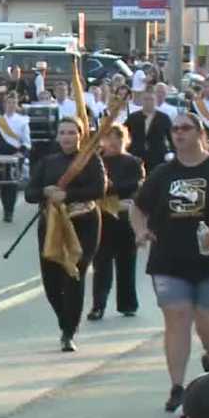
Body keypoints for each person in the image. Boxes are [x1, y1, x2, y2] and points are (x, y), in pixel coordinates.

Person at [131, 112, 209, 412]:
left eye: (185, 128)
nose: (178, 133)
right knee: (177, 319)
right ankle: (177, 387)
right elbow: (138, 207)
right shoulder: (163, 173)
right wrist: (141, 231)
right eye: (175, 129)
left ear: (199, 133)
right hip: (169, 259)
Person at [25, 117, 107, 351]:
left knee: (74, 274)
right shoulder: (48, 162)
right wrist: (45, 191)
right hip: (52, 225)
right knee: (51, 280)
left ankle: (69, 331)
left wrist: (68, 195)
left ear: (80, 135)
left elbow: (99, 189)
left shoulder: (90, 160)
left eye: (72, 132)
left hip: (84, 223)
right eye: (63, 133)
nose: (67, 137)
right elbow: (30, 193)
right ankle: (65, 319)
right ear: (57, 136)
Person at [91, 124, 144, 320]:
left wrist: (112, 190)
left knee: (126, 263)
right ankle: (98, 306)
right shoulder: (97, 162)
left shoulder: (134, 162)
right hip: (103, 219)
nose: (113, 142)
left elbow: (135, 186)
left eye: (118, 138)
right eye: (109, 137)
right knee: (101, 265)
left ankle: (128, 304)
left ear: (125, 140)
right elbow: (96, 188)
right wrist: (112, 193)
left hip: (125, 220)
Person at [0, 91, 31, 223]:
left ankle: (10, 211)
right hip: (1, 155)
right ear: (4, 105)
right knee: (4, 184)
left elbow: (26, 141)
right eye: (8, 103)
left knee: (13, 184)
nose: (11, 105)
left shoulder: (23, 121)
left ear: (17, 105)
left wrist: (21, 153)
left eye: (13, 103)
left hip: (16, 155)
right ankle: (5, 209)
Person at [124, 89, 173, 176]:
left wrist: (172, 153)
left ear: (155, 101)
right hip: (136, 155)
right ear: (142, 100)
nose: (148, 102)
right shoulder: (133, 117)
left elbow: (172, 138)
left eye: (151, 99)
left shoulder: (163, 118)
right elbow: (124, 134)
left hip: (158, 156)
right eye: (146, 99)